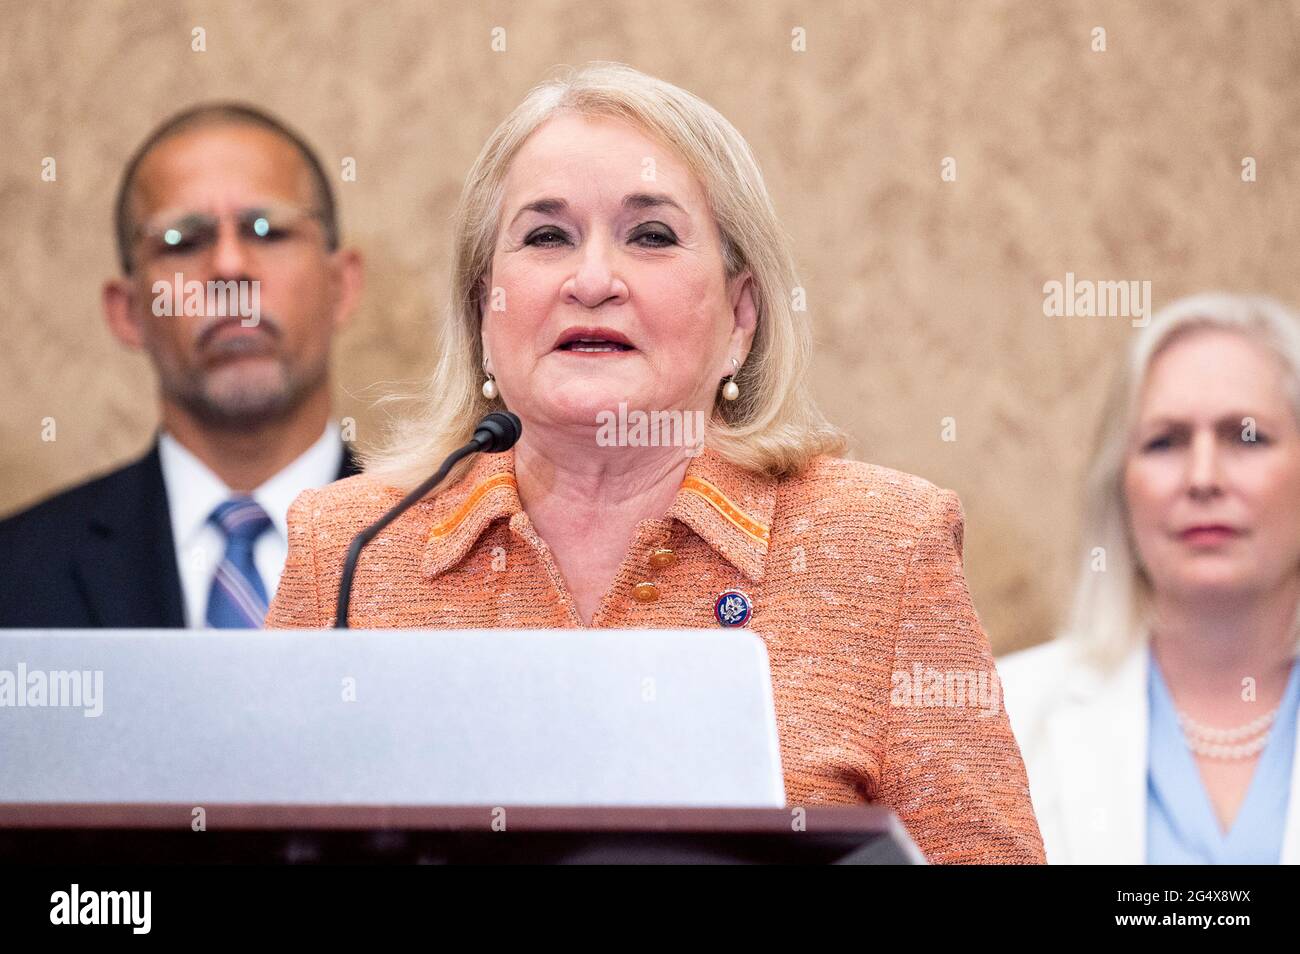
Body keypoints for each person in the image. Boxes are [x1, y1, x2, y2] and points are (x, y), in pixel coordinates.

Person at [266, 62, 1043, 863]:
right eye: (546, 236)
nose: (593, 280)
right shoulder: (351, 550)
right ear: (482, 314)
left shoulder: (884, 547)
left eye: (652, 236)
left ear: (740, 318)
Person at [0, 103, 364, 629]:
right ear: (126, 312)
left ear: (341, 287)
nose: (229, 268)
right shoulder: (16, 576)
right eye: (182, 241)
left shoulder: (448, 555)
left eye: (267, 231)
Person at [999, 293, 1300, 864]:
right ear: (1119, 484)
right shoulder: (1003, 714)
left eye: (1247, 436)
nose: (1203, 477)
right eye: (1165, 441)